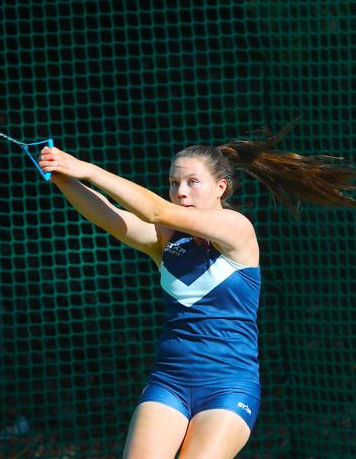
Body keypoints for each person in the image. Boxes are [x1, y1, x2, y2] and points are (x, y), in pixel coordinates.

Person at [38, 127, 356, 459]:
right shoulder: (166, 241)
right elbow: (109, 215)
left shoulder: (237, 228)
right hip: (168, 383)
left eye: (192, 182)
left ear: (221, 188)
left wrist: (86, 169)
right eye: (174, 184)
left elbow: (157, 211)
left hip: (228, 390)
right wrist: (62, 176)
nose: (181, 192)